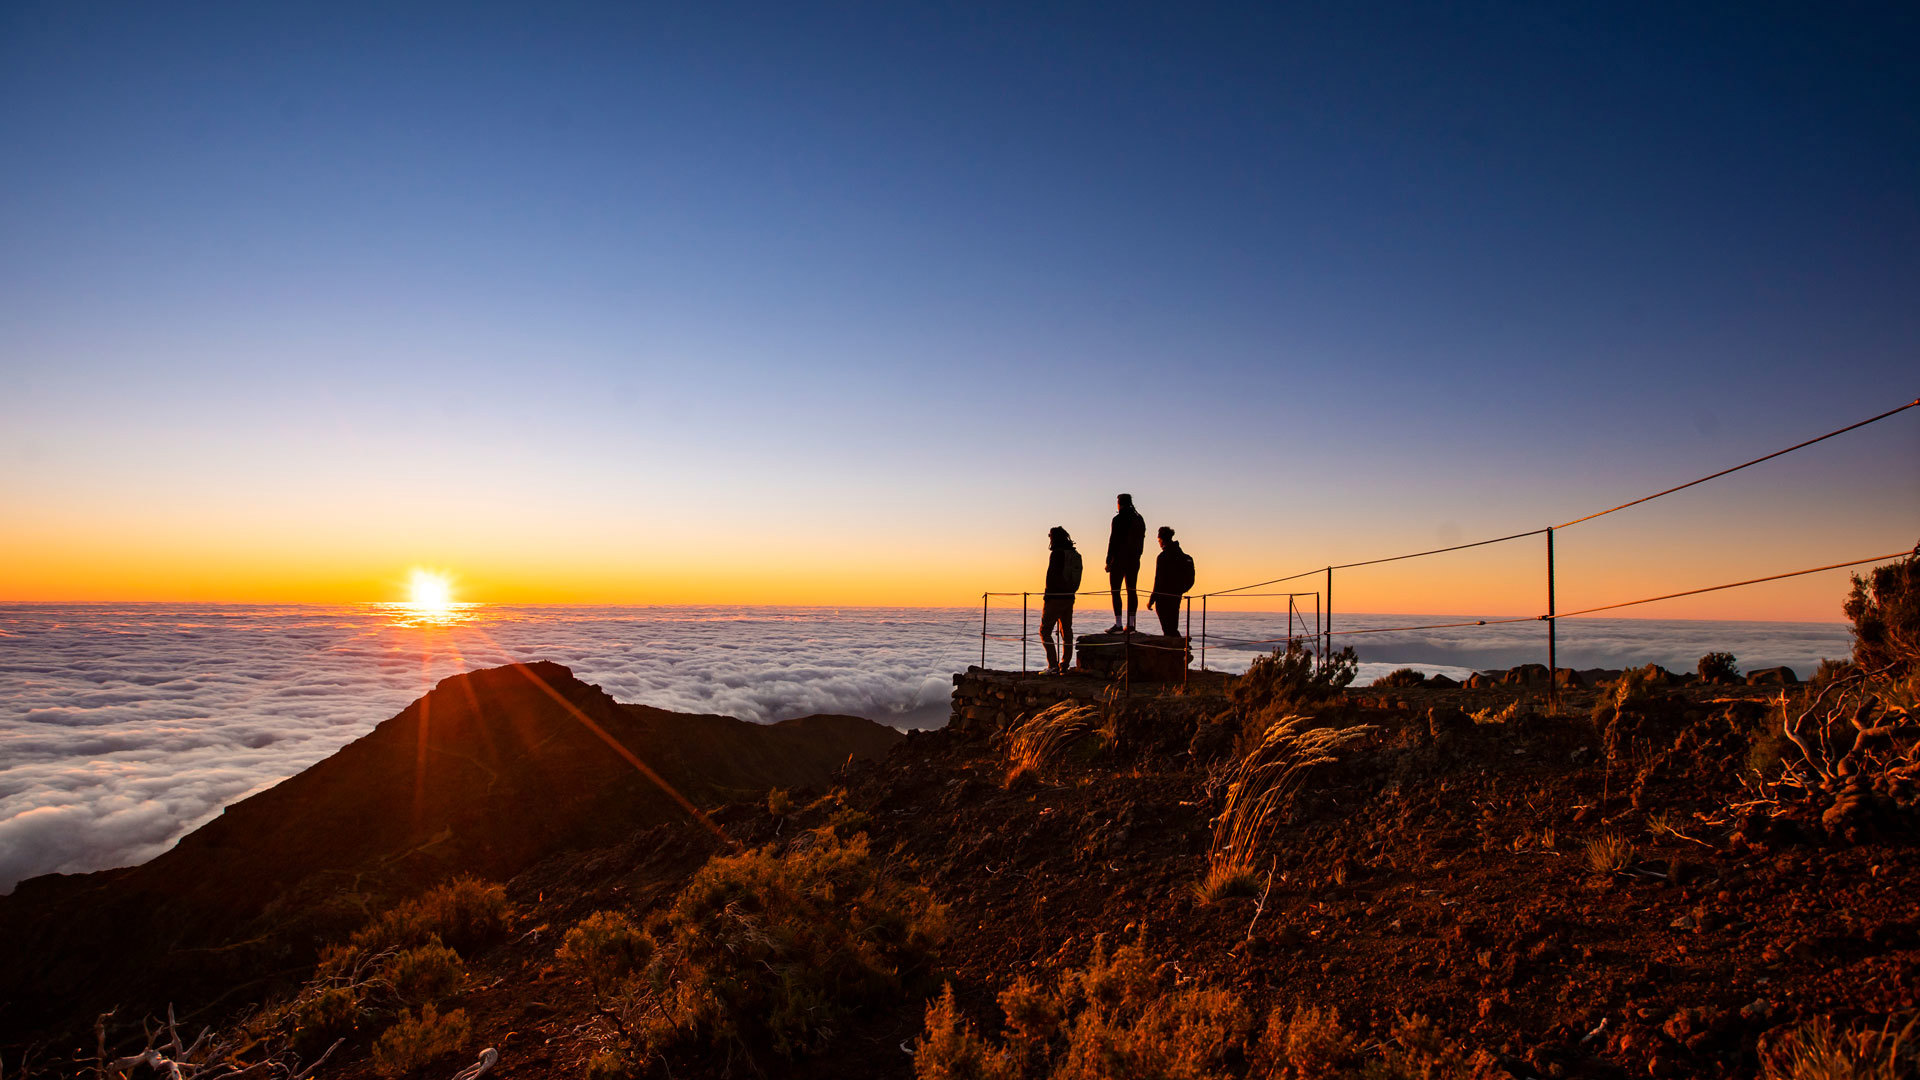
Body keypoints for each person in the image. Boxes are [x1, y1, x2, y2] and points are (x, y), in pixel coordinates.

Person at [1040, 526, 1083, 673]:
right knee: (1066, 631)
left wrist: (1047, 596)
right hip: (1069, 597)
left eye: (1050, 536)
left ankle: (1052, 665)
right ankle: (1064, 664)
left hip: (1055, 597)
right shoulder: (1072, 553)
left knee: (1045, 631)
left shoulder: (1057, 554)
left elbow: (1052, 577)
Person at [1105, 494, 1146, 633]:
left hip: (1119, 559)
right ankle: (1131, 625)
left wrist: (1109, 560)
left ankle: (1118, 624)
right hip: (1134, 559)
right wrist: (1138, 555)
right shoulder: (1139, 519)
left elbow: (1113, 541)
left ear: (1119, 503)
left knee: (1116, 591)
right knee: (1132, 590)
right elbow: (1141, 541)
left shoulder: (1118, 519)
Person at [1147, 526, 1194, 638]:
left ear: (1162, 540)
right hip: (1176, 596)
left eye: (1158, 540)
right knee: (1172, 626)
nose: (1158, 543)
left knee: (1168, 628)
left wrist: (1152, 599)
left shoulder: (1163, 557)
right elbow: (1191, 579)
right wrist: (1180, 590)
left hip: (1163, 597)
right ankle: (1179, 651)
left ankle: (1175, 651)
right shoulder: (1183, 557)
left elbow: (1158, 579)